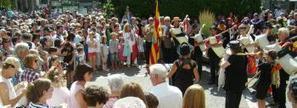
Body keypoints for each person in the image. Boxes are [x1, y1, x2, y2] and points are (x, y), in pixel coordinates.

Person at [220, 40, 248, 108]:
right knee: (236, 102)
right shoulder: (243, 55)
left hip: (232, 83)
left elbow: (223, 65)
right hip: (241, 81)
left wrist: (224, 58)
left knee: (230, 103)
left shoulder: (233, 57)